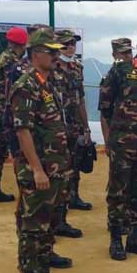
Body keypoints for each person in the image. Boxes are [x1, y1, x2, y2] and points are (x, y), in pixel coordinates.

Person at [11, 27, 73, 273]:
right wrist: (36, 169)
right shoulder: (26, 84)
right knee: (33, 227)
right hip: (38, 170)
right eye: (52, 52)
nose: (57, 56)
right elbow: (22, 131)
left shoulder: (47, 82)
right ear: (36, 54)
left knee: (48, 225)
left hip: (56, 167)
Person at [98, 27, 137, 260]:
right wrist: (108, 142)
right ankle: (115, 240)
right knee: (118, 192)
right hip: (122, 145)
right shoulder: (120, 71)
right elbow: (105, 109)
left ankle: (134, 237)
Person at [49, 29, 89, 239]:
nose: (71, 47)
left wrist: (86, 127)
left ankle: (65, 215)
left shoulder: (77, 69)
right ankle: (52, 223)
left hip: (73, 127)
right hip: (54, 131)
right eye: (66, 44)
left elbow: (80, 99)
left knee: (73, 169)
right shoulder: (49, 70)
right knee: (56, 175)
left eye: (73, 44)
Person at [0, 27, 27, 203]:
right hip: (2, 109)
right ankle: (23, 192)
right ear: (22, 44)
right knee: (16, 149)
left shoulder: (6, 56)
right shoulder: (10, 60)